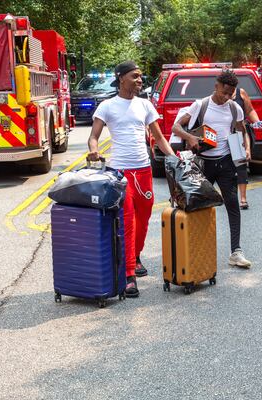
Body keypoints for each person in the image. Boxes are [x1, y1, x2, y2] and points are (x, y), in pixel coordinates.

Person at [87, 61, 175, 298]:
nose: (139, 80)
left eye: (140, 77)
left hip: (144, 171)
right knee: (127, 221)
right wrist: (93, 150)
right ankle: (128, 276)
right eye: (135, 76)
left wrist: (174, 157)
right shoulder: (107, 106)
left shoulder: (145, 105)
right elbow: (93, 136)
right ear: (121, 78)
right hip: (120, 173)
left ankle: (135, 256)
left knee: (144, 218)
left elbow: (158, 137)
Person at [171, 69, 252, 268]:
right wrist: (190, 137)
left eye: (230, 94)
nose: (226, 97)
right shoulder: (201, 105)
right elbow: (176, 127)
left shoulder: (235, 109)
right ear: (216, 86)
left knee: (233, 204)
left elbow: (243, 131)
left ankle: (236, 252)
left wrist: (247, 148)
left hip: (225, 162)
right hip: (202, 164)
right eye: (224, 92)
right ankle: (193, 252)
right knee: (196, 207)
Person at [233, 87, 262, 210]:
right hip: (224, 134)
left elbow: (250, 110)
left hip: (239, 133)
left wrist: (257, 122)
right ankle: (230, 196)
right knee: (226, 168)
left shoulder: (241, 93)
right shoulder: (219, 95)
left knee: (241, 165)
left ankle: (243, 199)